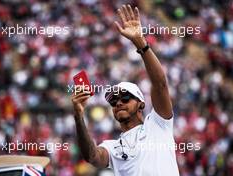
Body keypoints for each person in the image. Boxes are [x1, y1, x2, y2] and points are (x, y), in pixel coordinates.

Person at [71, 4, 180, 176]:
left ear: (141, 104)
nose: (119, 103)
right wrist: (78, 117)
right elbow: (92, 156)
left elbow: (160, 84)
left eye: (125, 98)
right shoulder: (113, 148)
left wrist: (141, 44)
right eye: (114, 101)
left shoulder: (158, 125)